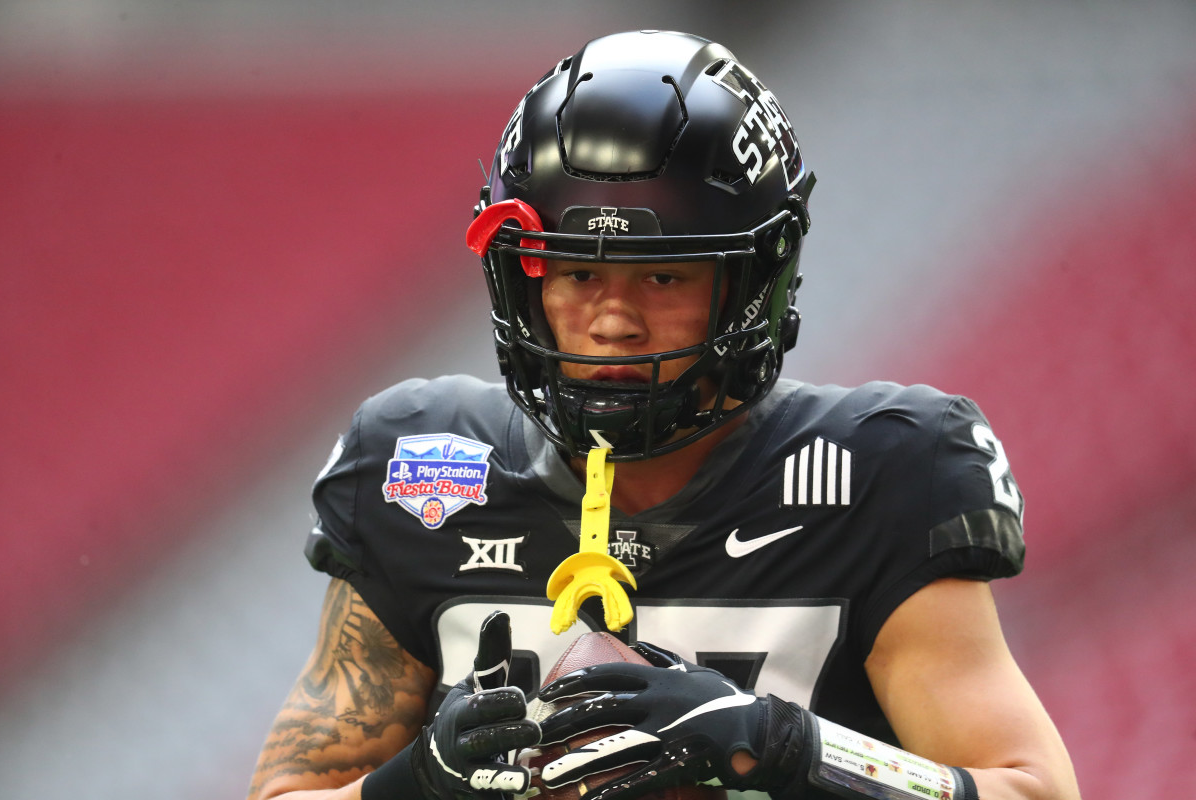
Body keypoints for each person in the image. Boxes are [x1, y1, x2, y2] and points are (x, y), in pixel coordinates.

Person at [247, 29, 1080, 800]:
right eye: (576, 274)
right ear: (524, 277)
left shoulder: (884, 473)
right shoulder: (424, 464)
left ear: (752, 283)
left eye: (664, 278)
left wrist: (780, 742)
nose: (613, 320)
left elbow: (1033, 788)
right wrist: (417, 786)